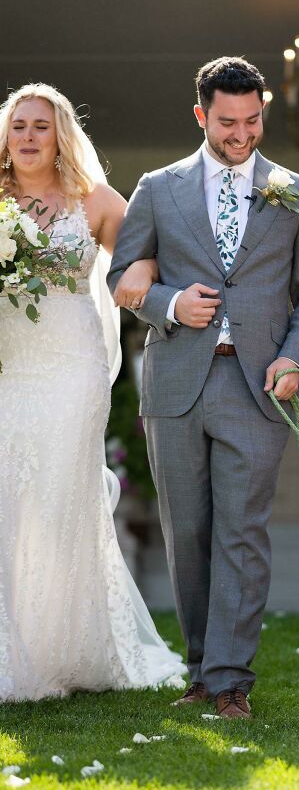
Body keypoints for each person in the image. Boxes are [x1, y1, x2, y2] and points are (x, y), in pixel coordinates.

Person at [108, 57, 299, 719]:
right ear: (201, 114)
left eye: (253, 120)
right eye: (228, 122)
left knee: (242, 529)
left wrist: (295, 359)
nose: (242, 135)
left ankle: (231, 677)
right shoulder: (158, 186)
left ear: (264, 110)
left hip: (257, 383)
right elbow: (122, 274)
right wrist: (174, 304)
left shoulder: (296, 191)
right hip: (177, 376)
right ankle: (201, 668)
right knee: (188, 530)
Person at [0, 83, 186, 701]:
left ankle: (67, 648)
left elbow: (147, 251)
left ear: (60, 136)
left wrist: (136, 268)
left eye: (40, 126)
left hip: (73, 366)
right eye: (18, 125)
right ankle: (17, 646)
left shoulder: (93, 199)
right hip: (10, 363)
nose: (28, 136)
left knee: (57, 496)